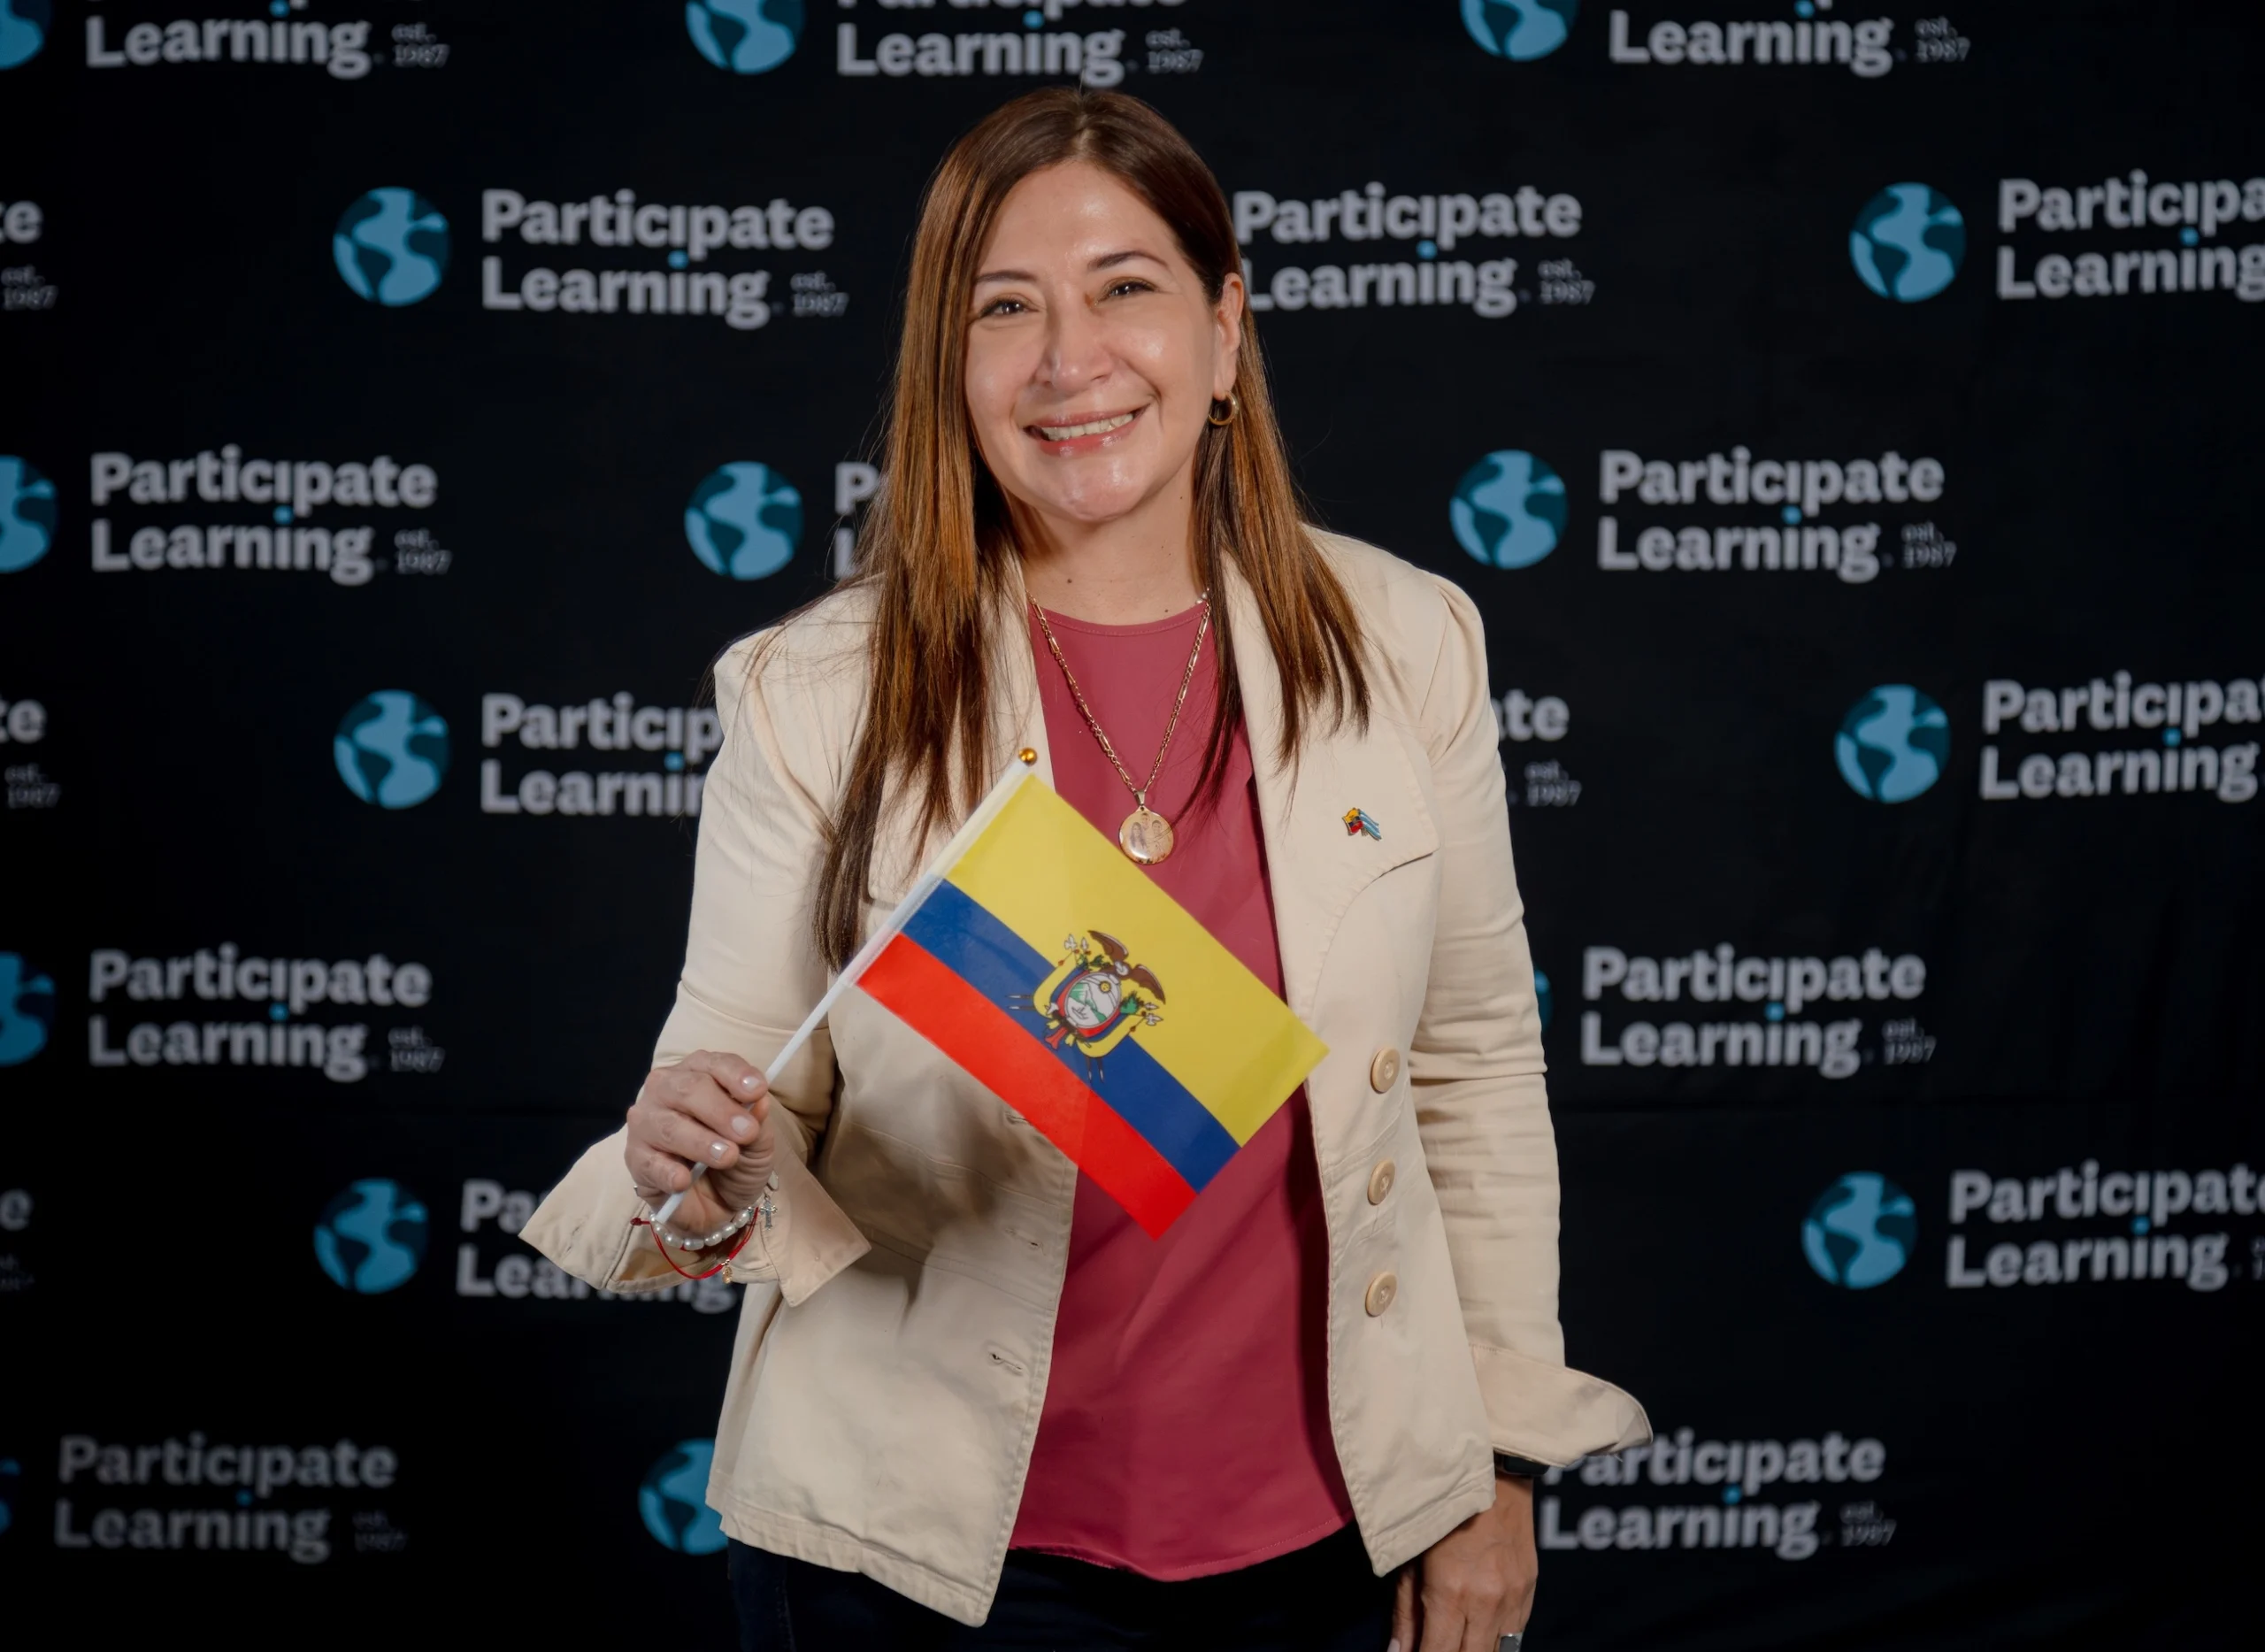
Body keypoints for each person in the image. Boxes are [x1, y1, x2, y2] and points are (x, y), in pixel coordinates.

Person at [524, 88, 1647, 1652]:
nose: (1071, 360)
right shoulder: (816, 691)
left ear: (1227, 331)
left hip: (1326, 1541)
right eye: (1007, 309)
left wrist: (1499, 1463)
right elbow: (739, 1110)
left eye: (1127, 287)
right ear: (951, 365)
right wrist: (699, 1165)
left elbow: (1471, 1069)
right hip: (921, 1564)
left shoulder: (1409, 644)